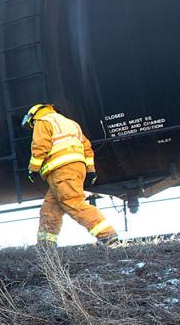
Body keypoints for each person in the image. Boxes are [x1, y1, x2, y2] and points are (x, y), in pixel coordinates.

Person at [23, 104, 118, 247]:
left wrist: (33, 169)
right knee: (50, 209)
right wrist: (91, 170)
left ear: (33, 116)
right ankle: (45, 246)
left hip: (61, 170)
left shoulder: (42, 121)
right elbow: (87, 148)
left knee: (73, 203)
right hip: (75, 169)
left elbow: (40, 146)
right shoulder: (71, 123)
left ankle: (107, 235)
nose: (33, 127)